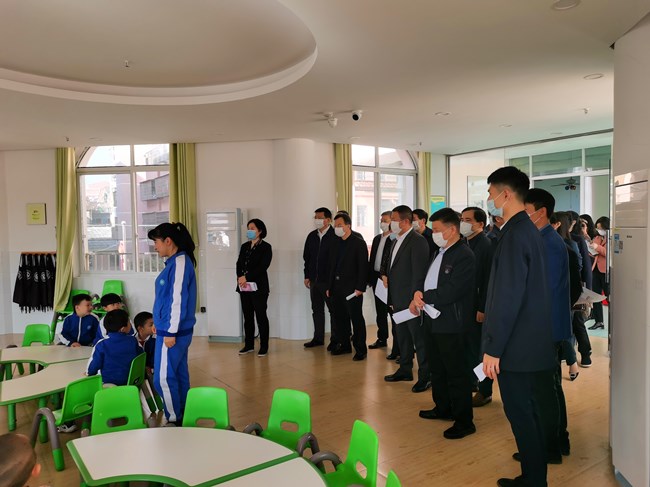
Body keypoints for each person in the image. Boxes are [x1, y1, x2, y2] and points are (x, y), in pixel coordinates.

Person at [481, 166, 555, 487]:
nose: (488, 198)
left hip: (515, 347)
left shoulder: (514, 235)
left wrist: (493, 348)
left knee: (521, 415)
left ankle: (534, 481)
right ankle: (533, 477)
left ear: (506, 194)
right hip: (529, 342)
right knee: (527, 413)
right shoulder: (526, 230)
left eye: (490, 192)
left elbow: (507, 297)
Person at [413, 208, 476, 439]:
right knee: (437, 369)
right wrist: (418, 292)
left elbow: (453, 291)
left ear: (451, 230)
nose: (433, 234)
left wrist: (424, 296)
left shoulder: (464, 255)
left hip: (452, 324)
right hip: (432, 320)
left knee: (456, 373)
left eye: (437, 230)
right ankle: (443, 408)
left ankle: (464, 421)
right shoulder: (439, 251)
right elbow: (426, 278)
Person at [524, 188, 572, 463]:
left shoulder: (548, 244)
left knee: (545, 389)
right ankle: (557, 441)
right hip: (542, 327)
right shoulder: (541, 240)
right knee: (549, 387)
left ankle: (551, 446)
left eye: (525, 211)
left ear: (541, 212)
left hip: (544, 328)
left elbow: (545, 291)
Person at [148, 222, 197, 426]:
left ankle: (174, 418)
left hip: (173, 332)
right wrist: (158, 323)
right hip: (169, 329)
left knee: (163, 378)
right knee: (177, 373)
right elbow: (166, 299)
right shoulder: (174, 263)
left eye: (156, 242)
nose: (155, 247)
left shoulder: (180, 263)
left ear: (168, 241)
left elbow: (177, 300)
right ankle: (184, 412)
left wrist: (169, 331)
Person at [384, 205, 431, 393]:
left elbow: (419, 274)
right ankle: (405, 369)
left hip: (411, 301)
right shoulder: (396, 240)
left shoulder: (418, 241)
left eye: (394, 220)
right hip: (397, 298)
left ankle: (426, 376)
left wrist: (415, 298)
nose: (391, 223)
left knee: (419, 339)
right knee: (402, 336)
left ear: (405, 221)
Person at [460, 206, 494, 408]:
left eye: (468, 220)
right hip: (465, 305)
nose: (463, 223)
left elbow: (488, 280)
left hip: (479, 306)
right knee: (469, 348)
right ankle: (472, 381)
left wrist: (483, 308)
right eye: (462, 219)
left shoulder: (486, 245)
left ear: (480, 224)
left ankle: (485, 390)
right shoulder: (465, 242)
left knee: (481, 350)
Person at [327, 213, 369, 360]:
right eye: (335, 226)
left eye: (340, 225)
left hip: (352, 289)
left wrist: (360, 287)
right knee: (340, 318)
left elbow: (363, 267)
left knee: (356, 319)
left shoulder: (358, 243)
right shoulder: (335, 243)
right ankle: (345, 345)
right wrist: (329, 286)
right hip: (336, 287)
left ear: (348, 225)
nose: (337, 228)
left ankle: (360, 349)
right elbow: (332, 267)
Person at [551, 211, 583, 381]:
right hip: (551, 300)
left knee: (564, 333)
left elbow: (579, 270)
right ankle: (571, 362)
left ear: (558, 225)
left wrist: (570, 300)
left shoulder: (570, 244)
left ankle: (572, 362)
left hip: (565, 297)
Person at [236, 218, 273, 357]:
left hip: (259, 288)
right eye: (248, 228)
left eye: (252, 228)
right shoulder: (244, 246)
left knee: (261, 316)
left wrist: (246, 277)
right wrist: (240, 277)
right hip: (244, 287)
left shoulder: (266, 247)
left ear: (260, 231)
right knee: (247, 316)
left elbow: (263, 266)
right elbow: (239, 263)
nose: (249, 231)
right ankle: (249, 345)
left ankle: (264, 346)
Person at [303, 207, 336, 349]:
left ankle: (335, 340)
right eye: (315, 217)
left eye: (320, 218)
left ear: (328, 220)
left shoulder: (335, 236)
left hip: (328, 281)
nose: (317, 220)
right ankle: (318, 338)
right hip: (314, 281)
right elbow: (307, 258)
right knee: (316, 310)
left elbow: (336, 261)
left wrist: (332, 281)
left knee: (333, 311)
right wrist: (307, 276)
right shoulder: (312, 236)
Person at [367, 211, 397, 353]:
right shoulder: (377, 238)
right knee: (380, 312)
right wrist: (370, 278)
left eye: (385, 220)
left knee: (392, 312)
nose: (382, 223)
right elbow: (372, 258)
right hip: (376, 278)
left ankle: (398, 344)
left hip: (389, 280)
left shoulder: (394, 239)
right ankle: (382, 338)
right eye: (381, 220)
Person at [87, 309, 140, 386]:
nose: (131, 325)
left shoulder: (102, 345)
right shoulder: (133, 341)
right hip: (131, 382)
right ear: (122, 329)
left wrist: (90, 373)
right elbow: (140, 357)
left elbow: (95, 365)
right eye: (129, 322)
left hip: (109, 383)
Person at [568, 210, 593, 367]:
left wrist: (588, 293)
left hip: (577, 288)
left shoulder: (578, 239)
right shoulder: (558, 238)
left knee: (578, 321)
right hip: (563, 288)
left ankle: (585, 353)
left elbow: (587, 269)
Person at [588, 216, 609, 330]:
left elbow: (608, 253)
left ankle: (613, 321)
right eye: (597, 228)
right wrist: (592, 248)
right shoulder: (597, 237)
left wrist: (597, 247)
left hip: (605, 271)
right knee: (595, 296)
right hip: (595, 268)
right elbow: (594, 249)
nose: (599, 230)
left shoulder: (611, 238)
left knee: (608, 295)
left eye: (600, 228)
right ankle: (598, 321)